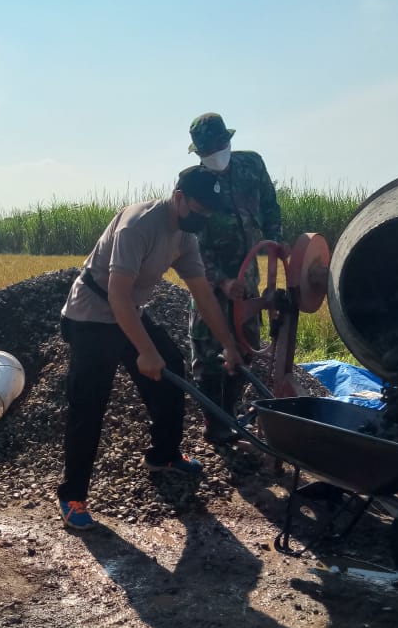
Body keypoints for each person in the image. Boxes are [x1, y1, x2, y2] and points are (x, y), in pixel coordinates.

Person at [57, 166, 245, 531]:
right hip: (92, 315)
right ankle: (72, 494)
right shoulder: (138, 225)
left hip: (128, 311)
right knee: (90, 402)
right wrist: (144, 351)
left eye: (210, 211)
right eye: (200, 209)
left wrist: (229, 345)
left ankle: (164, 455)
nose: (204, 217)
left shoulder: (184, 234)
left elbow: (202, 293)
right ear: (179, 198)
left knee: (171, 368)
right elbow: (116, 295)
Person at [186, 112, 282, 445]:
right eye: (206, 152)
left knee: (246, 347)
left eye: (219, 146)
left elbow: (271, 211)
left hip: (248, 278)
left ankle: (229, 413)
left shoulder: (252, 166)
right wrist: (221, 280)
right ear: (199, 154)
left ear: (228, 142)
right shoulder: (193, 182)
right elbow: (191, 245)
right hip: (208, 281)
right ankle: (214, 425)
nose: (215, 154)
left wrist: (275, 258)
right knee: (208, 352)